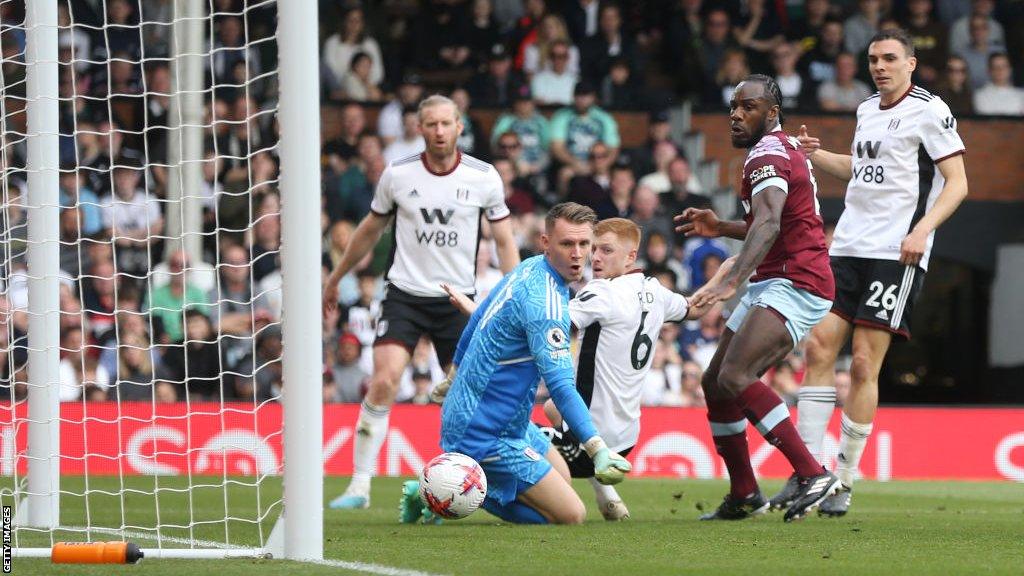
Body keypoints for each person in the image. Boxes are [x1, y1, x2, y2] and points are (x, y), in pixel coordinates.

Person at [771, 29, 968, 516]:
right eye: (873, 59)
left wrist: (923, 230)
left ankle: (843, 481)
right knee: (817, 347)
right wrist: (814, 154)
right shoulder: (864, 110)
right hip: (850, 247)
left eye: (889, 58)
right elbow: (860, 169)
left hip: (895, 252)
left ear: (911, 63)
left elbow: (959, 182)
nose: (879, 66)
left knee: (862, 363)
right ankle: (807, 473)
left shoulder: (930, 110)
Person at [440, 218, 736, 520]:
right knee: (554, 408)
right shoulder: (655, 291)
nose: (594, 257)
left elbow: (537, 321)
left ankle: (451, 488)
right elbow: (695, 307)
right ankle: (606, 493)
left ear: (630, 256)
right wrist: (725, 278)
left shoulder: (600, 294)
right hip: (627, 439)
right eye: (593, 248)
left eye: (605, 250)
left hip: (588, 443)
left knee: (512, 440)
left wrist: (477, 311)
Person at [323, 95, 521, 509]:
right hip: (404, 295)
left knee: (463, 400)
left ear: (459, 126)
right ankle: (359, 485)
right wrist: (337, 276)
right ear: (419, 127)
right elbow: (369, 229)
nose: (439, 131)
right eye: (430, 124)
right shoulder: (398, 175)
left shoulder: (483, 177)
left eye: (446, 123)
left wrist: (514, 290)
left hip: (456, 301)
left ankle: (454, 487)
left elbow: (503, 239)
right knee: (384, 380)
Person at [400, 203, 631, 525]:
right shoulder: (546, 304)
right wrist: (597, 448)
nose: (578, 254)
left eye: (584, 244)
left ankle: (443, 487)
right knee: (570, 516)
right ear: (546, 243)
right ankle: (439, 493)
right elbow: (562, 387)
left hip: (510, 421)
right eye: (567, 244)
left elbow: (478, 318)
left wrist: (453, 374)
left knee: (562, 478)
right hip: (483, 430)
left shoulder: (530, 268)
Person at [674, 74, 839, 522]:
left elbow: (767, 224)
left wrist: (731, 282)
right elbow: (769, 221)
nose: (735, 114)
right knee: (715, 382)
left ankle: (812, 472)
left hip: (797, 279)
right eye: (733, 106)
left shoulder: (765, 154)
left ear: (772, 113)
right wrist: (721, 227)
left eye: (747, 107)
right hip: (777, 277)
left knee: (735, 375)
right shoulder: (776, 150)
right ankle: (745, 492)